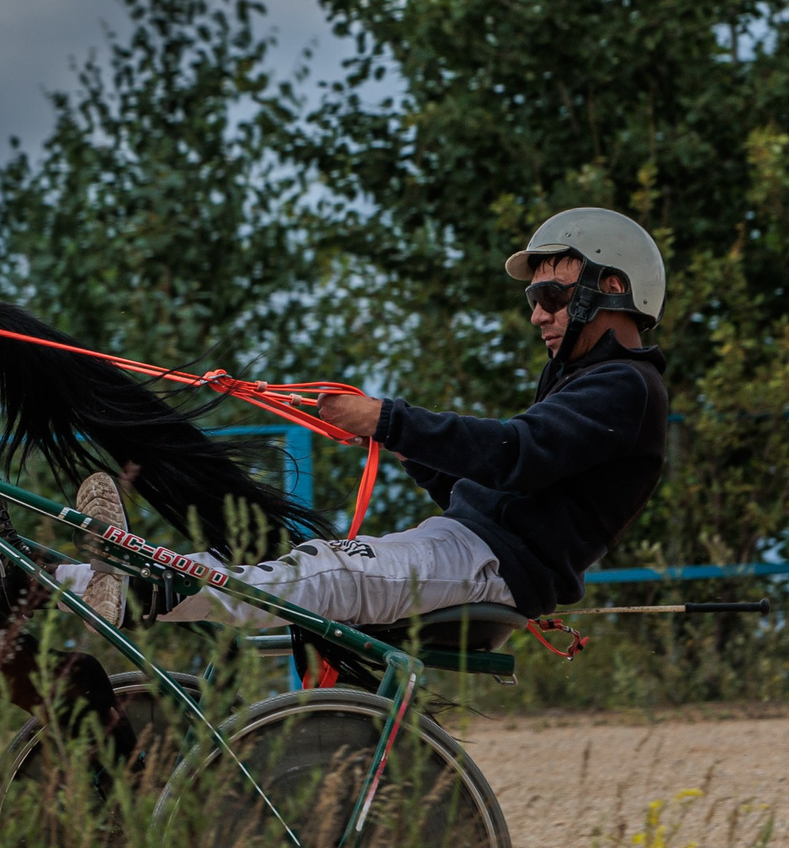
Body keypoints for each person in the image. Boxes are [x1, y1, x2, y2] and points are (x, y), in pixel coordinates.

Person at [57, 208, 671, 631]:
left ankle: (139, 585)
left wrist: (388, 420)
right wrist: (411, 452)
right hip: (470, 547)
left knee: (321, 576)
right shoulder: (589, 380)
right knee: (308, 571)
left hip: (488, 564)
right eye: (533, 301)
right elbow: (503, 484)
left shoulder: (625, 386)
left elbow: (515, 452)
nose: (538, 315)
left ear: (612, 286)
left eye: (552, 298)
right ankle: (63, 575)